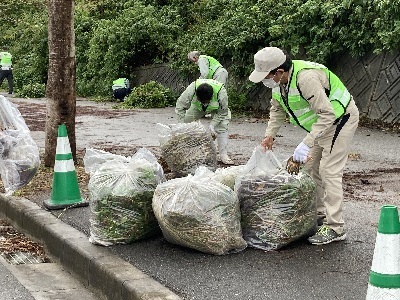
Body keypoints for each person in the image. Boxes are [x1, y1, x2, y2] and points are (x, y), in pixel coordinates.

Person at [249, 46, 359, 245]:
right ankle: (318, 215)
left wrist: (306, 143)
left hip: (340, 119)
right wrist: (269, 136)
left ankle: (336, 227)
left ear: (279, 71)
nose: (264, 80)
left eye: (266, 75)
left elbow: (328, 114)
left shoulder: (305, 79)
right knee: (309, 168)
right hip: (322, 124)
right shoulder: (278, 83)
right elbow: (277, 109)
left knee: (329, 171)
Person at [175, 78, 234, 165]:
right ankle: (186, 151)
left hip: (217, 109)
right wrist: (181, 125)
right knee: (186, 121)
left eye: (205, 101)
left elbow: (223, 112)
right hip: (197, 107)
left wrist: (212, 125)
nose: (204, 103)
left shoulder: (221, 93)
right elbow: (180, 106)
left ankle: (223, 155)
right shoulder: (192, 88)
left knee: (222, 125)